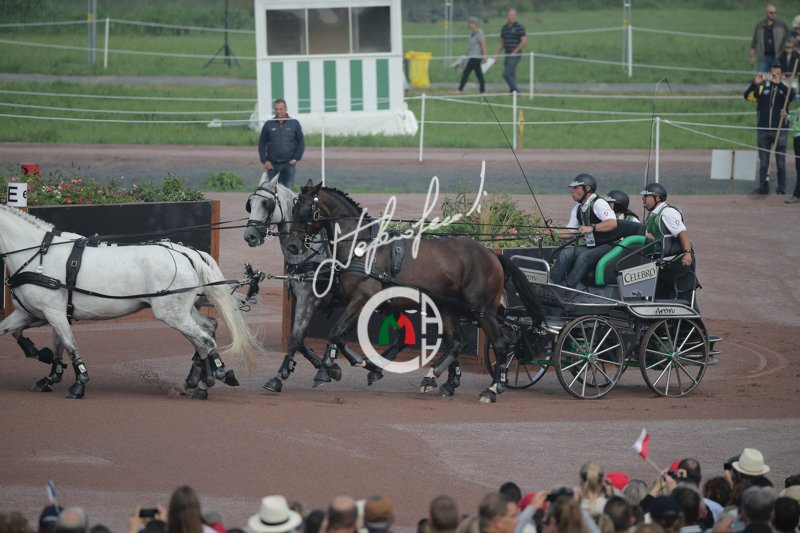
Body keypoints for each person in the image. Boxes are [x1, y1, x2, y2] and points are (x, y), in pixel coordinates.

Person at [545, 174, 618, 289]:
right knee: (565, 254)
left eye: (576, 188)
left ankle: (567, 288)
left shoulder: (598, 203)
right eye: (572, 188)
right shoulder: (577, 208)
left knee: (584, 256)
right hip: (593, 246)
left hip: (609, 245)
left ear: (587, 188)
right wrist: (555, 232)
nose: (572, 191)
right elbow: (571, 232)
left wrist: (592, 228)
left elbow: (612, 223)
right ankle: (551, 284)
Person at [744, 61, 796, 195]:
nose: (775, 76)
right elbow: (747, 97)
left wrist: (779, 84)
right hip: (763, 130)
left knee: (780, 162)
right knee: (764, 161)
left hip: (780, 130)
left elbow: (792, 97)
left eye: (778, 74)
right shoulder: (763, 87)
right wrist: (754, 83)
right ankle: (763, 187)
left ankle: (781, 188)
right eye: (773, 74)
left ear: (782, 75)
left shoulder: (785, 89)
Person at [640, 183, 696, 301]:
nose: (643, 199)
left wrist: (687, 253)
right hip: (663, 265)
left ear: (657, 198)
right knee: (660, 301)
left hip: (679, 263)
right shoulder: (652, 216)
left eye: (646, 196)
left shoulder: (667, 212)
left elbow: (682, 232)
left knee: (685, 300)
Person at [258, 98, 305, 190]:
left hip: (289, 164)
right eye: (276, 109)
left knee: (287, 191)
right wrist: (264, 160)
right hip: (272, 165)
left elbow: (301, 142)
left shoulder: (294, 123)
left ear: (286, 109)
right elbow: (262, 143)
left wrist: (296, 158)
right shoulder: (269, 124)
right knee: (273, 192)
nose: (278, 111)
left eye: (281, 109)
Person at [493, 9, 527, 93]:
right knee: (511, 74)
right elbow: (502, 43)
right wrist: (496, 55)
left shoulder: (519, 27)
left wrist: (515, 51)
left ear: (515, 16)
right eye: (510, 15)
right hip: (507, 54)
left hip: (515, 55)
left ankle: (516, 91)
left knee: (506, 74)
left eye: (513, 15)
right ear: (507, 16)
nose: (511, 17)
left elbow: (524, 41)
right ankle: (513, 93)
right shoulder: (504, 28)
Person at [749, 5, 790, 72]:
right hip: (763, 57)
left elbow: (789, 39)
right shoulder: (759, 26)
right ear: (766, 13)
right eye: (771, 12)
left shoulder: (782, 25)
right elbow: (755, 42)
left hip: (778, 57)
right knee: (761, 77)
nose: (773, 14)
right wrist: (752, 56)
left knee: (776, 77)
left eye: (775, 12)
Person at [455, 17, 487, 94]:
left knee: (466, 72)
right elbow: (471, 46)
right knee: (479, 74)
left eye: (472, 23)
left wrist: (485, 55)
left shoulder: (480, 33)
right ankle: (482, 90)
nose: (470, 25)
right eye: (470, 23)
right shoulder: (472, 34)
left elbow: (483, 45)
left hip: (476, 56)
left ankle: (460, 89)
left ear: (476, 24)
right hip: (471, 55)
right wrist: (465, 54)